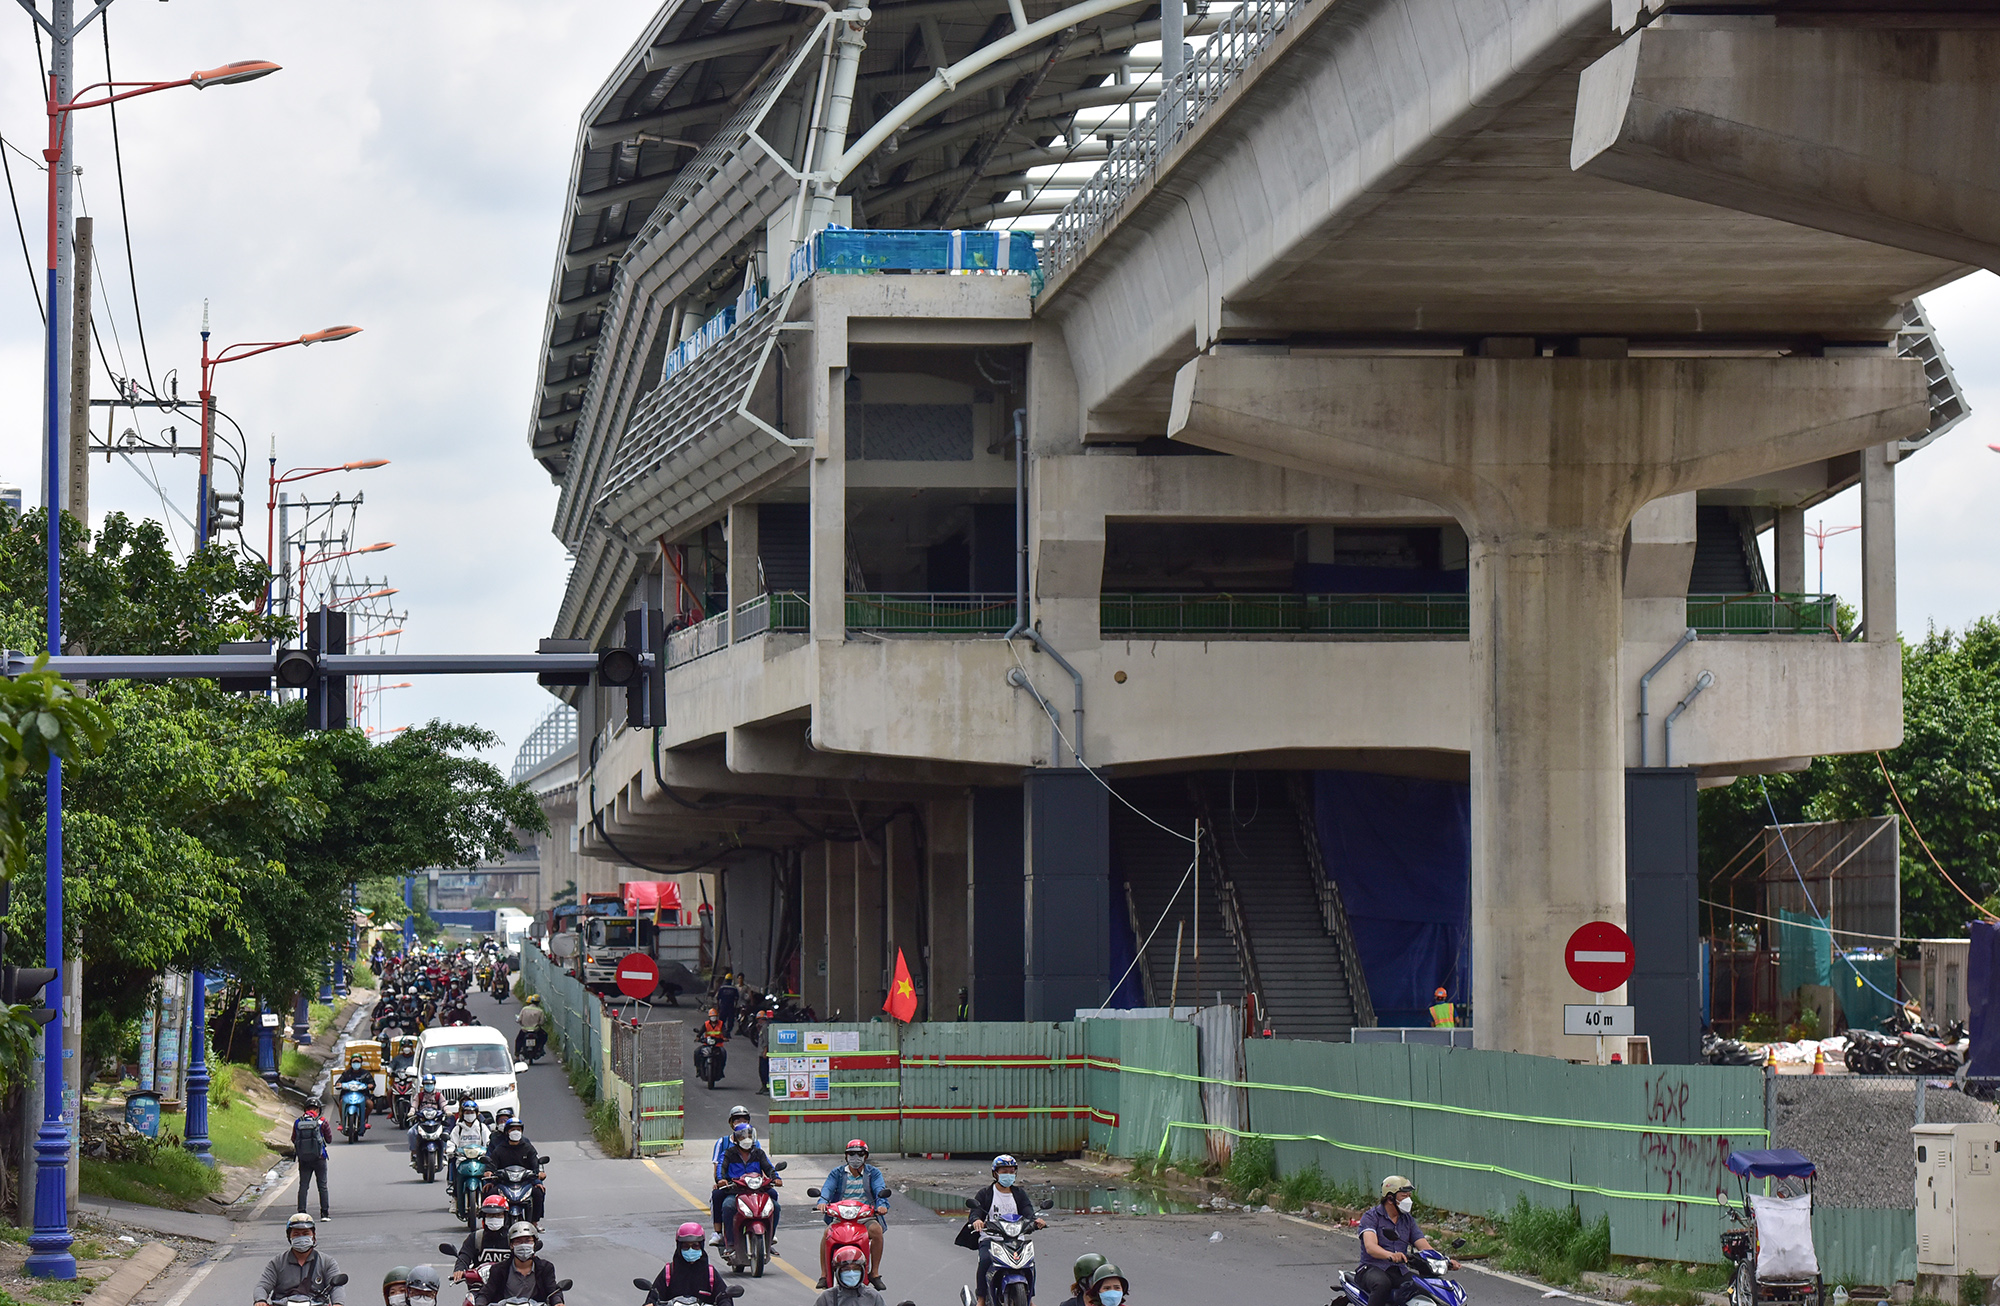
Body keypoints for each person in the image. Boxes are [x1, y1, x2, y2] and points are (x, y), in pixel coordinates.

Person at [1356, 1176, 1457, 1306]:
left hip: (1398, 1270)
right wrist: (1390, 1255)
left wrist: (1445, 1260)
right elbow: (1370, 1247)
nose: (1408, 1200)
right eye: (1404, 1196)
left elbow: (1424, 1246)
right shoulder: (1371, 1217)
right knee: (1382, 1285)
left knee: (1422, 1286)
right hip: (1371, 1268)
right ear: (1390, 1198)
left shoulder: (1407, 1220)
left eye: (1409, 1196)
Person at [968, 1155, 1044, 1306]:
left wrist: (1035, 1220)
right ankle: (981, 1299)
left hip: (1016, 1238)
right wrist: (976, 1220)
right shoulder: (986, 1194)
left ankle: (1029, 1299)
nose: (1008, 1174)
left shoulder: (1019, 1194)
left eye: (1011, 1171)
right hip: (991, 1239)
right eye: (1004, 1171)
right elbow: (975, 1211)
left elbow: (1028, 1210)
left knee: (1030, 1264)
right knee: (985, 1260)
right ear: (995, 1173)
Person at [815, 1138, 889, 1289]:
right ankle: (824, 1275)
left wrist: (881, 1206)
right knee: (827, 1234)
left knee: (876, 1231)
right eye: (851, 1154)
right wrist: (822, 1201)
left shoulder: (874, 1173)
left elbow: (879, 1190)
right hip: (841, 1217)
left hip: (864, 1217)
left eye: (859, 1154)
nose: (855, 1158)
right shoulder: (837, 1173)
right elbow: (827, 1189)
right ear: (846, 1156)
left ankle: (874, 1273)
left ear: (865, 1156)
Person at [714, 1124, 781, 1251]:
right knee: (728, 1206)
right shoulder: (728, 1153)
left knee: (775, 1206)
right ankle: (730, 1243)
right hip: (736, 1191)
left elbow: (769, 1167)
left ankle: (770, 1238)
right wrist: (721, 1179)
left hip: (757, 1190)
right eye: (743, 1136)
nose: (747, 1139)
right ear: (736, 1138)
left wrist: (776, 1178)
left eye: (749, 1135)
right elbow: (721, 1168)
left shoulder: (759, 1153)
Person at [255, 1213, 343, 1306]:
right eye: (296, 1234)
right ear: (289, 1237)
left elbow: (336, 1288)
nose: (301, 1237)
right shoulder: (277, 1262)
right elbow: (262, 1286)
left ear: (313, 1235)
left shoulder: (327, 1262)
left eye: (305, 1233)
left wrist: (338, 1303)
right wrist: (260, 1300)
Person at [641, 1223, 731, 1305]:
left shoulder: (710, 1273)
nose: (690, 1250)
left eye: (695, 1246)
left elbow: (723, 1296)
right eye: (685, 1246)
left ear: (701, 1246)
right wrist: (651, 1303)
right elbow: (653, 1297)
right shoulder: (669, 1272)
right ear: (679, 1247)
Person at [479, 1222, 564, 1305]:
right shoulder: (499, 1269)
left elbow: (553, 1291)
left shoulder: (545, 1268)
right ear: (511, 1245)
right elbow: (486, 1293)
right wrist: (480, 1303)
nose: (523, 1245)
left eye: (528, 1241)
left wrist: (558, 1302)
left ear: (535, 1243)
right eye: (518, 1242)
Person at [485, 1115, 547, 1223]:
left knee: (538, 1192)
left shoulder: (528, 1148)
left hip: (525, 1182)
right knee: (488, 1192)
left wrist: (539, 1176)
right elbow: (492, 1164)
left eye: (518, 1129)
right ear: (507, 1132)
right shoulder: (500, 1149)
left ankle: (534, 1222)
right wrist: (489, 1173)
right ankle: (489, 1221)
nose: (515, 1132)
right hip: (503, 1183)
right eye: (512, 1129)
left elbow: (535, 1165)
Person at [708, 1106, 754, 1238]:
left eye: (745, 1120)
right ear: (731, 1123)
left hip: (751, 1185)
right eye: (737, 1120)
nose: (741, 1123)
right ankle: (719, 1234)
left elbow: (764, 1165)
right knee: (720, 1199)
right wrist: (720, 1181)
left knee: (772, 1200)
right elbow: (718, 1167)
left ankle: (769, 1234)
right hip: (731, 1186)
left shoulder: (755, 1144)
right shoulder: (724, 1144)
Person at [452, 1195, 515, 1285]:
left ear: (505, 1217)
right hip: (480, 1287)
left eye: (498, 1215)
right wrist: (460, 1269)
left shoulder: (513, 1239)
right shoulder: (476, 1238)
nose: (494, 1218)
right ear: (484, 1217)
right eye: (490, 1215)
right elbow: (465, 1255)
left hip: (508, 1287)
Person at [292, 1103, 334, 1221]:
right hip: (319, 1158)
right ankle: (324, 1214)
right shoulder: (322, 1121)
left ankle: (301, 1213)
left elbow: (293, 1139)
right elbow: (329, 1139)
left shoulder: (297, 1122)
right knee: (322, 1186)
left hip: (304, 1159)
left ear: (305, 1109)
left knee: (303, 1186)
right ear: (317, 1110)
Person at [445, 1099, 490, 1202]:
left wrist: (487, 1150)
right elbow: (452, 1141)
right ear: (462, 1113)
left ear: (476, 1113)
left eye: (472, 1112)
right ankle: (455, 1196)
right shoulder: (458, 1129)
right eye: (467, 1112)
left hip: (479, 1158)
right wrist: (451, 1149)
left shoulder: (481, 1127)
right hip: (462, 1158)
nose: (469, 1115)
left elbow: (488, 1141)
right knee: (453, 1165)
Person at [813, 1246, 885, 1306]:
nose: (851, 1273)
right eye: (846, 1269)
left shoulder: (873, 1297)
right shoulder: (827, 1298)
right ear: (838, 1272)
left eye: (856, 1269)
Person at [334, 1056, 375, 1130]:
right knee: (341, 1103)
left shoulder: (365, 1074)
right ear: (351, 1063)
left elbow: (372, 1083)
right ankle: (342, 1122)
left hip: (362, 1095)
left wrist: (369, 1085)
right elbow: (339, 1082)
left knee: (370, 1104)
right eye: (354, 1062)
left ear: (361, 1063)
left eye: (358, 1062)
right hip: (347, 1095)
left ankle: (364, 1120)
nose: (356, 1064)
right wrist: (339, 1084)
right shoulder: (346, 1073)